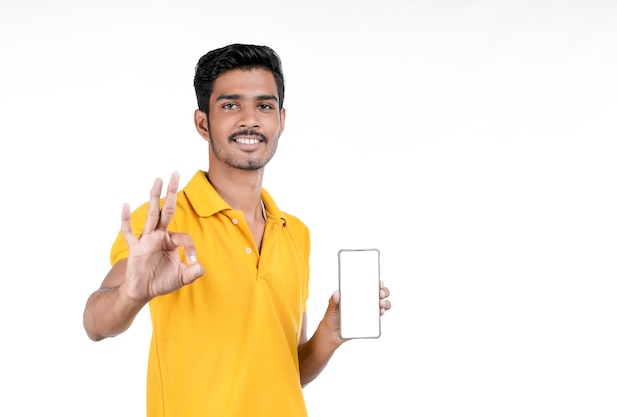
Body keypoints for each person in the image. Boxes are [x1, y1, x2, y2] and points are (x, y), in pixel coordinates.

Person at [83, 43, 391, 417]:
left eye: (264, 105)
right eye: (231, 105)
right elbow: (95, 323)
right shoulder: (163, 222)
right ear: (203, 122)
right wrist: (131, 294)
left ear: (281, 119)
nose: (250, 119)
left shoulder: (295, 233)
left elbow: (285, 372)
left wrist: (328, 335)